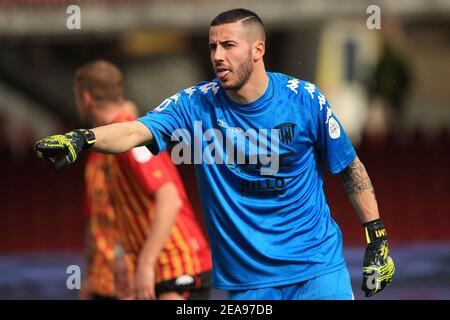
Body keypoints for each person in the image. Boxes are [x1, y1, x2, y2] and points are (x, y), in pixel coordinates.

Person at [35, 9, 395, 299]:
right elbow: (133, 130)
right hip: (248, 285)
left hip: (318, 270)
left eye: (228, 45)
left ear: (258, 49)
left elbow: (349, 168)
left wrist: (376, 237)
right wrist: (82, 139)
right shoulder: (195, 104)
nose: (218, 56)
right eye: (212, 47)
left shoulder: (305, 99)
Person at [73, 60, 212, 300]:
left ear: (85, 99)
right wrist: (119, 255)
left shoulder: (130, 135)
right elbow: (113, 216)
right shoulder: (106, 148)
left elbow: (170, 199)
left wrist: (145, 264)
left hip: (176, 263)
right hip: (150, 268)